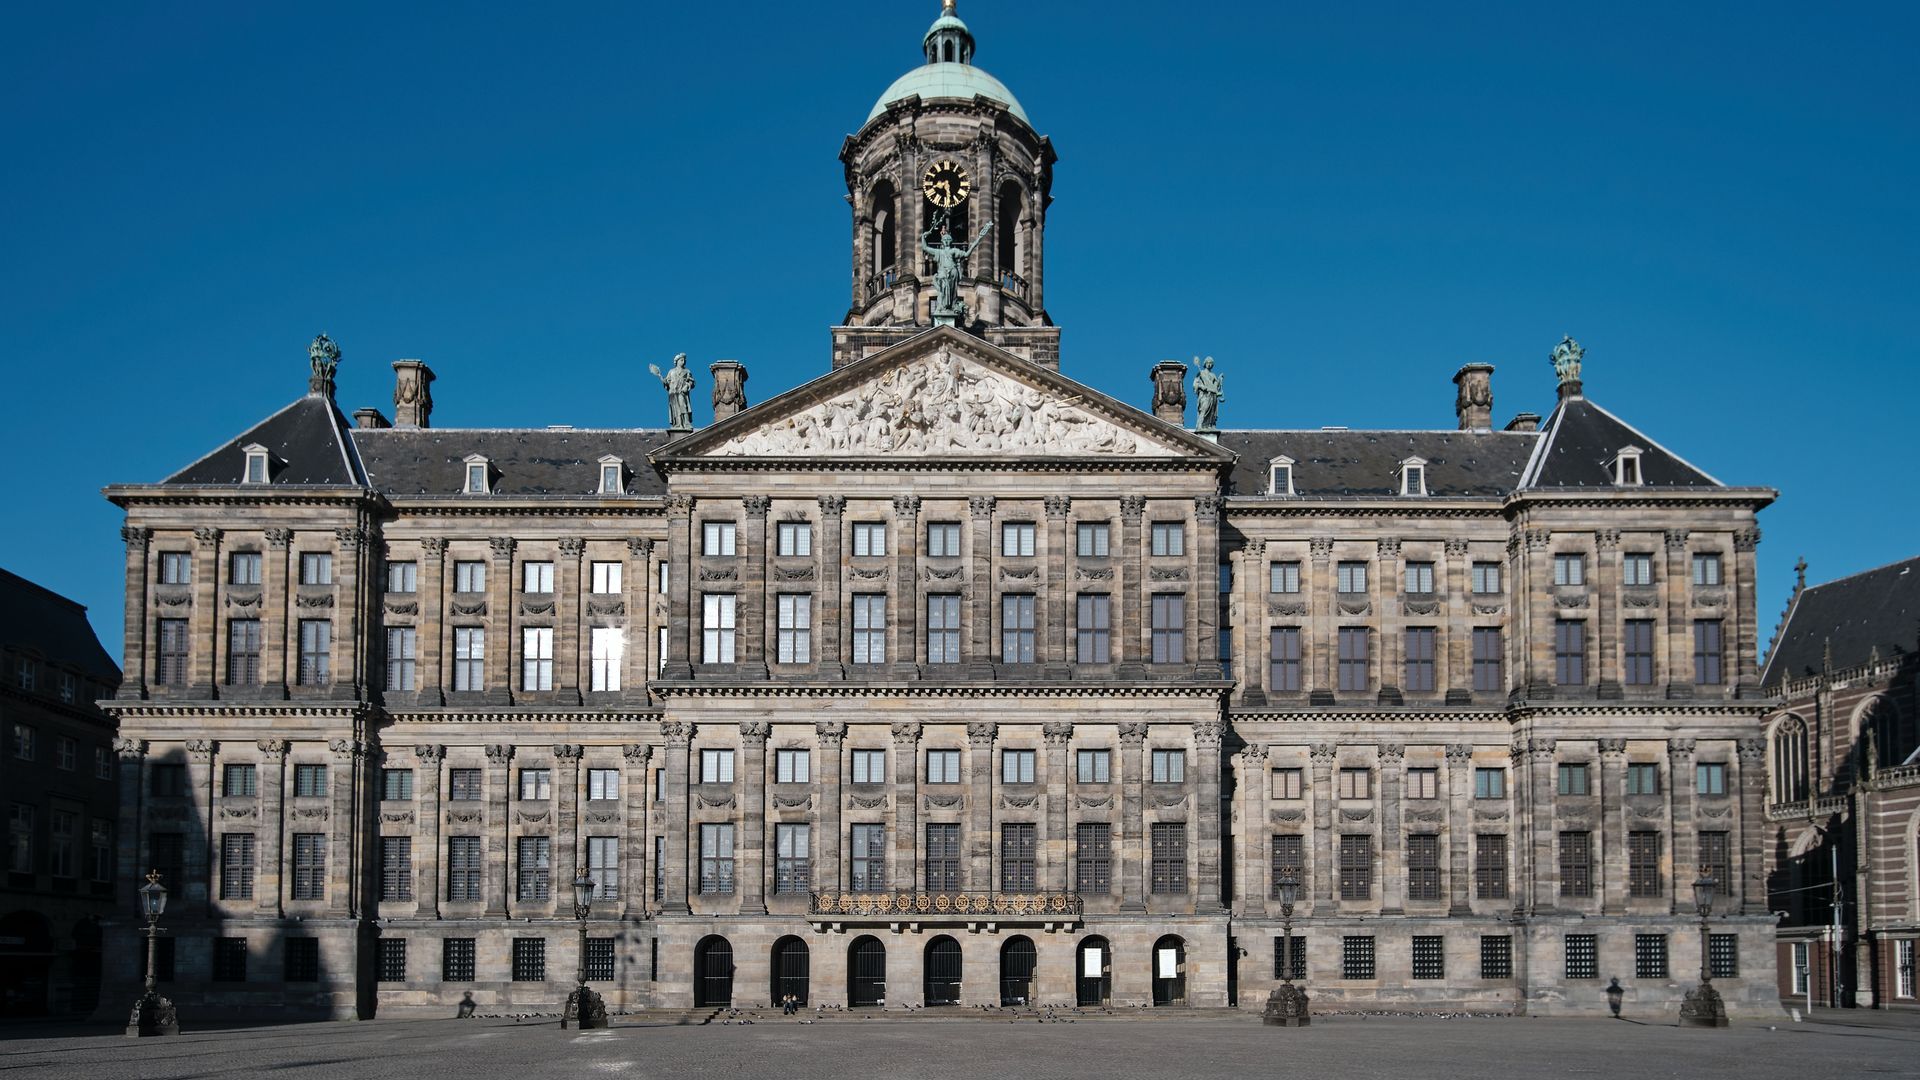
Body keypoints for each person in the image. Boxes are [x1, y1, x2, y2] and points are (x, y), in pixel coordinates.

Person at [649, 353, 696, 430]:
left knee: (683, 405)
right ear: (677, 361)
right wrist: (665, 382)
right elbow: (668, 382)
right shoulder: (671, 371)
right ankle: (678, 424)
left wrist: (687, 386)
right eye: (681, 360)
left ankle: (686, 423)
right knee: (675, 409)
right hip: (673, 392)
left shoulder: (687, 371)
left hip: (682, 392)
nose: (683, 361)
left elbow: (692, 382)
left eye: (684, 360)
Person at [1193, 355, 1224, 430]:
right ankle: (1200, 425)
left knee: (1212, 412)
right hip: (1205, 395)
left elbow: (1216, 386)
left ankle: (1210, 426)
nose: (1209, 364)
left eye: (1211, 363)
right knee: (1204, 409)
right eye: (1208, 362)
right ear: (1205, 363)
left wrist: (1220, 379)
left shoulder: (1213, 375)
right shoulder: (1201, 373)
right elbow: (1195, 384)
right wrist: (1201, 386)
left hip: (1213, 395)